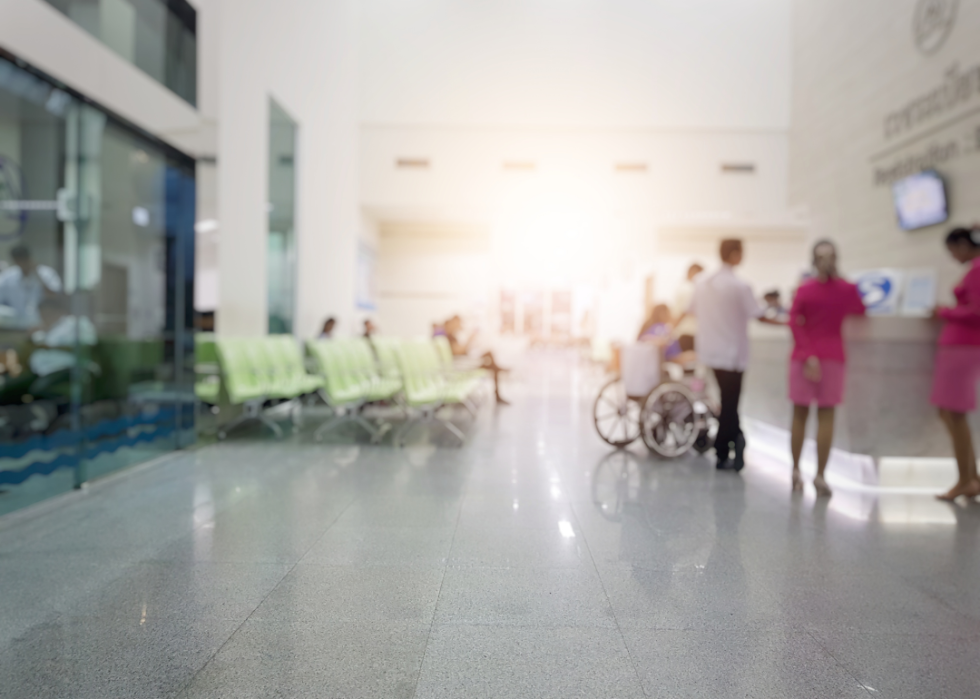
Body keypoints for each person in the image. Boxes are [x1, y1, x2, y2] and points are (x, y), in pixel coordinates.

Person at [686, 239, 776, 472]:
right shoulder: (740, 286)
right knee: (730, 403)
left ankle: (733, 443)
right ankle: (726, 449)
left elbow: (690, 311)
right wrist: (788, 322)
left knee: (727, 402)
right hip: (733, 354)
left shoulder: (702, 283)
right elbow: (759, 315)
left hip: (712, 352)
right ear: (735, 255)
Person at [787, 240, 865, 497]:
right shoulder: (847, 288)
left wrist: (808, 354)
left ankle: (797, 471)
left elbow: (794, 322)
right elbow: (861, 310)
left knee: (801, 415)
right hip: (832, 357)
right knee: (826, 416)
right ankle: (819, 475)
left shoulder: (804, 289)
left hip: (804, 357)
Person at [931, 227, 980, 502]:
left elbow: (976, 311)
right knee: (948, 412)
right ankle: (972, 476)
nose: (951, 256)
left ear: (962, 244)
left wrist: (944, 312)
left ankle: (965, 479)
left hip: (962, 348)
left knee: (954, 414)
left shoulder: (976, 270)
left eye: (952, 250)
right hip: (961, 348)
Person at [444, 314, 509, 404]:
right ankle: (498, 372)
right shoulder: (449, 337)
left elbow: (461, 349)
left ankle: (497, 370)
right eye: (459, 323)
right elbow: (458, 351)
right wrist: (470, 339)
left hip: (464, 360)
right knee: (491, 361)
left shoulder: (453, 336)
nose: (460, 325)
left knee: (490, 355)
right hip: (461, 364)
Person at [0, 245, 62, 328]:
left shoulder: (47, 273)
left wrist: (38, 276)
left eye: (23, 260)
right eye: (18, 260)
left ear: (29, 258)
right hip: (17, 325)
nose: (21, 263)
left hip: (43, 324)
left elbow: (54, 296)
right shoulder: (8, 276)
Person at [673, 263, 703, 352]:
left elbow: (679, 314)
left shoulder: (684, 288)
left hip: (685, 333)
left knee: (687, 363)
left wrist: (671, 329)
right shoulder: (694, 290)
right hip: (696, 334)